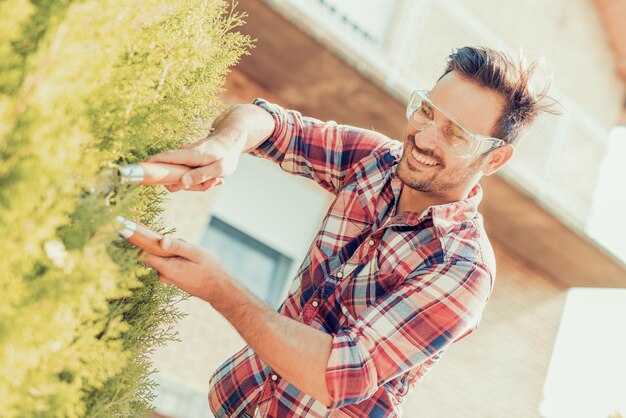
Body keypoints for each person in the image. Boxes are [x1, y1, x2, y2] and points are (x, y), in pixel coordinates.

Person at [138, 46, 555, 417]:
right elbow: (272, 123)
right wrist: (227, 144)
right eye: (427, 111)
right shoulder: (375, 160)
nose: (425, 137)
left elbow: (339, 374)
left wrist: (220, 288)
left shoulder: (463, 267)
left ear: (495, 157)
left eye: (455, 133)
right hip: (234, 403)